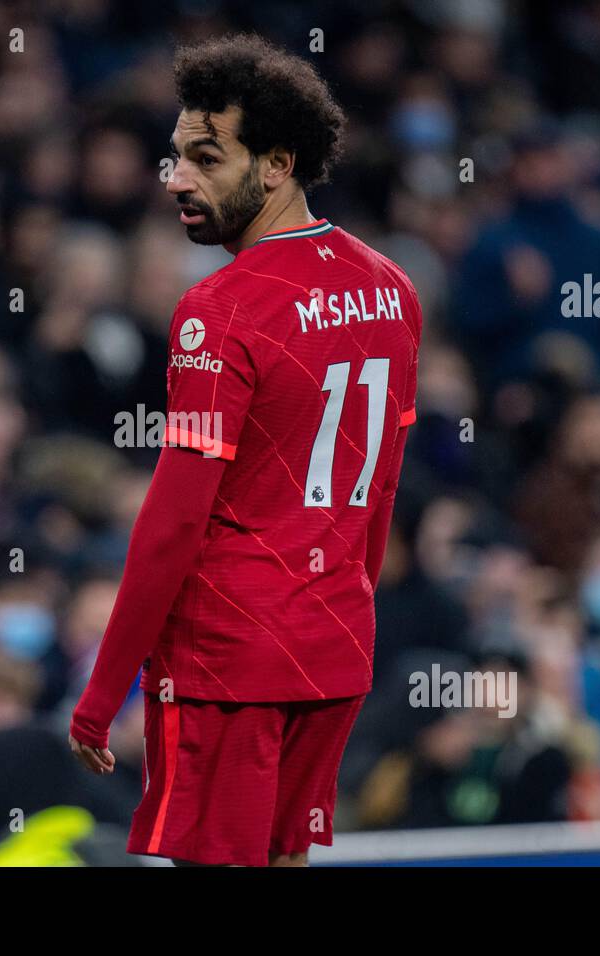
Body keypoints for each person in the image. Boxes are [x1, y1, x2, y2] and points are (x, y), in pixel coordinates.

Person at [67, 34, 423, 867]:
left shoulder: (219, 310)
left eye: (204, 158)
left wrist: (100, 690)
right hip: (334, 647)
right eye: (174, 157)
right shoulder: (392, 288)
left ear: (276, 165)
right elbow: (378, 501)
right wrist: (340, 612)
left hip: (232, 660)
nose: (176, 179)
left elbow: (169, 525)